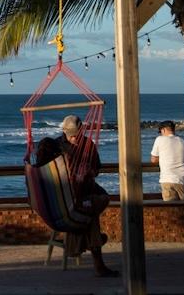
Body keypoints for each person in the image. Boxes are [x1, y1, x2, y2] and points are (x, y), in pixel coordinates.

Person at [57, 115, 118, 278]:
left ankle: (80, 244)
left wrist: (90, 172)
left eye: (76, 133)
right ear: (64, 131)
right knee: (89, 215)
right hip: (66, 196)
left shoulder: (88, 145)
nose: (73, 137)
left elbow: (97, 169)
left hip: (86, 190)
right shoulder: (58, 147)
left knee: (99, 201)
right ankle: (97, 256)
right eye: (70, 134)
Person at [150, 120, 184, 200]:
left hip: (168, 178)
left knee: (171, 208)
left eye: (161, 131)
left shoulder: (160, 139)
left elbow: (154, 159)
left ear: (164, 130)